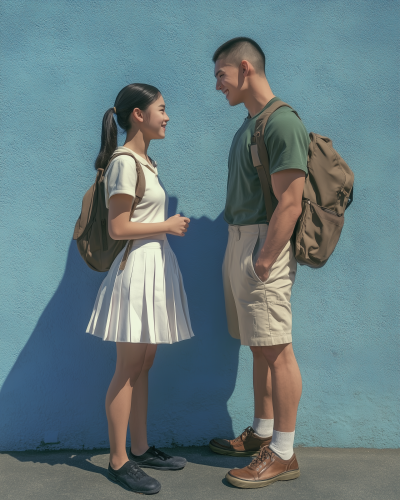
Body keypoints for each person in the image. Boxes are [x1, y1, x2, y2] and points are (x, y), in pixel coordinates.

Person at [209, 38, 309, 489]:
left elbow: (291, 199)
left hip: (261, 245)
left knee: (277, 347)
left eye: (220, 76)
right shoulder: (249, 124)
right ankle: (263, 432)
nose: (217, 86)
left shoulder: (282, 123)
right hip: (241, 242)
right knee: (258, 344)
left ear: (245, 68)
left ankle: (283, 454)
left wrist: (264, 259)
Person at [86, 83, 194, 495]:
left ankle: (142, 446)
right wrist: (166, 225)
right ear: (138, 114)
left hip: (155, 268)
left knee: (143, 365)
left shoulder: (146, 161)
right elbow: (118, 227)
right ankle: (118, 460)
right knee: (127, 369)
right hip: (137, 272)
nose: (166, 117)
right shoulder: (124, 162)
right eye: (162, 109)